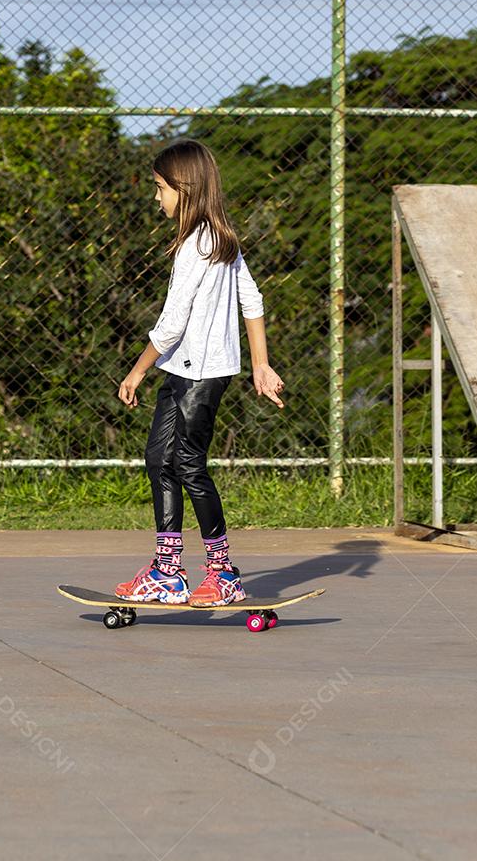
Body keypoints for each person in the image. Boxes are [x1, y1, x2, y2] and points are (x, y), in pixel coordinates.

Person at [115, 140, 286, 606]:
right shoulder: (215, 237)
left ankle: (222, 571)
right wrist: (259, 364)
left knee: (188, 463)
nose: (157, 198)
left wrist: (136, 372)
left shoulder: (202, 245)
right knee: (159, 459)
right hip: (184, 370)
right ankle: (168, 571)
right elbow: (252, 300)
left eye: (160, 188)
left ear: (184, 187)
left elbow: (171, 324)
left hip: (202, 375)